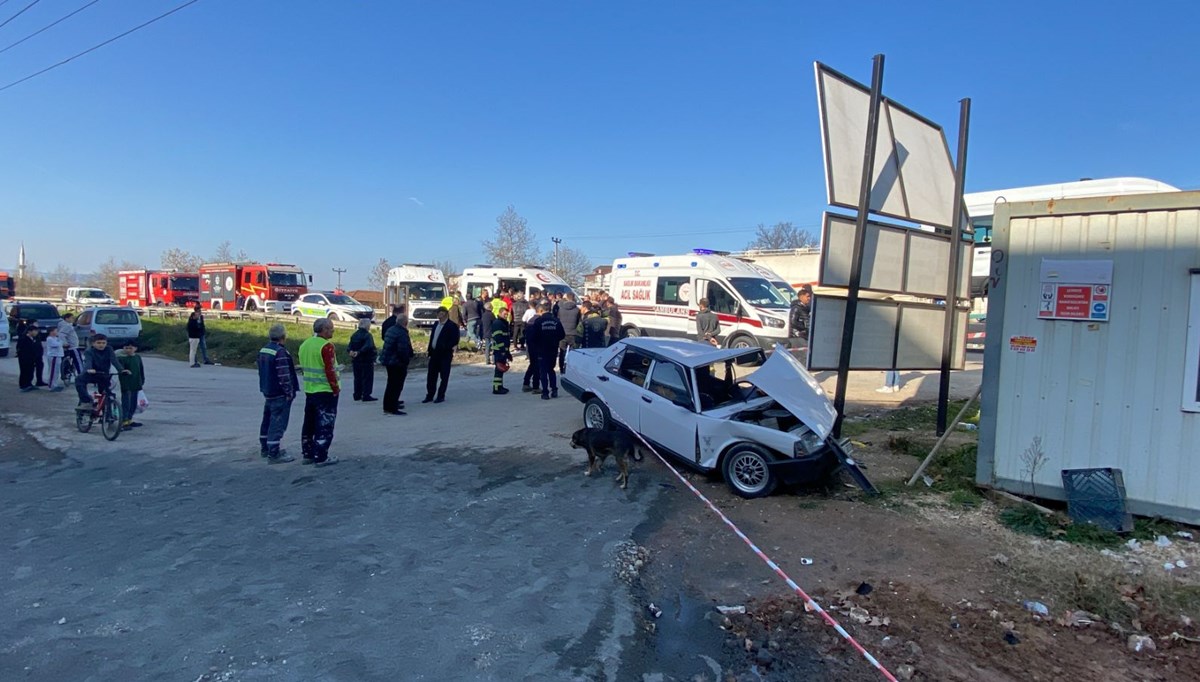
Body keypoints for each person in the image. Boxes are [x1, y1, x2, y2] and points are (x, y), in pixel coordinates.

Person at [298, 318, 341, 467]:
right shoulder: (326, 346)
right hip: (325, 390)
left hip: (310, 389)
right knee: (325, 424)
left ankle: (308, 453)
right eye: (330, 328)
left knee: (309, 423)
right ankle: (321, 456)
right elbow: (329, 370)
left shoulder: (305, 344)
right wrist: (335, 388)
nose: (333, 331)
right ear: (324, 330)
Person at [257, 323, 299, 463]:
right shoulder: (280, 352)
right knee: (278, 422)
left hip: (268, 390)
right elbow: (283, 375)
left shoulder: (264, 350)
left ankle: (265, 448)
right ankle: (274, 453)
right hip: (279, 393)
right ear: (283, 336)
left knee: (267, 420)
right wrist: (289, 391)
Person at [76, 334, 130, 409]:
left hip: (104, 374)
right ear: (93, 343)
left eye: (103, 343)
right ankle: (86, 401)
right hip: (91, 373)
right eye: (98, 343)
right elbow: (88, 362)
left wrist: (122, 370)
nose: (101, 345)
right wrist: (89, 369)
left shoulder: (109, 349)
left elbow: (114, 361)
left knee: (106, 394)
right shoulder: (89, 351)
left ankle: (108, 413)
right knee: (79, 380)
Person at [378, 308, 414, 415]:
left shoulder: (391, 329)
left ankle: (388, 405)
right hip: (397, 363)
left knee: (390, 384)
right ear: (405, 323)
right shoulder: (401, 333)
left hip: (389, 361)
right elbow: (402, 350)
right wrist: (406, 360)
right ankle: (392, 407)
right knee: (396, 385)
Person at [424, 306, 460, 404]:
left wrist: (445, 347)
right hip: (434, 354)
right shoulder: (436, 324)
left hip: (445, 355)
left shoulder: (451, 326)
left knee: (444, 376)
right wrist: (430, 350)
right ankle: (430, 395)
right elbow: (432, 338)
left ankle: (441, 395)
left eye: (441, 313)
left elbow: (455, 340)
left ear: (445, 314)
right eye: (438, 313)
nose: (439, 315)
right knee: (431, 376)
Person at [530, 302, 565, 400]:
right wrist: (554, 340)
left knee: (543, 371)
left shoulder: (538, 321)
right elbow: (562, 335)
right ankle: (554, 390)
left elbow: (533, 337)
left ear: (541, 310)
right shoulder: (556, 321)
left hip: (542, 349)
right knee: (551, 370)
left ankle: (545, 392)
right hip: (553, 349)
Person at [116, 342, 146, 430]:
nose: (128, 350)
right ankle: (124, 420)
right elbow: (120, 369)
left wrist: (142, 380)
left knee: (133, 402)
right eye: (126, 348)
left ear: (135, 348)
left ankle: (129, 419)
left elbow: (141, 369)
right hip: (126, 384)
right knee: (126, 402)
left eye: (130, 348)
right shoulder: (121, 358)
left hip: (136, 383)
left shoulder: (137, 357)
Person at [347, 318, 378, 402]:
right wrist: (360, 352)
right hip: (366, 359)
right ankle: (366, 395)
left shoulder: (354, 335)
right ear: (367, 325)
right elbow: (369, 346)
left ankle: (357, 394)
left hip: (356, 360)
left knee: (357, 377)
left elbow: (349, 346)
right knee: (367, 377)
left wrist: (351, 351)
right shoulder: (367, 335)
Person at [490, 300, 512, 395]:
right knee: (499, 369)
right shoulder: (498, 323)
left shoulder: (503, 323)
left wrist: (508, 352)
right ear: (499, 313)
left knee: (501, 369)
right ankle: (496, 388)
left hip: (503, 350)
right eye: (504, 314)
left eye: (507, 315)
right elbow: (498, 338)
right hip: (499, 350)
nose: (506, 316)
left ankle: (499, 386)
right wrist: (503, 351)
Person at [555, 292, 581, 373]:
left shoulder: (561, 309)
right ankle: (570, 368)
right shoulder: (577, 310)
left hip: (562, 333)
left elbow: (558, 320)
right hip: (573, 332)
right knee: (572, 352)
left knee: (562, 351)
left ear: (566, 298)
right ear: (573, 298)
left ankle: (561, 368)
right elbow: (578, 321)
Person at [17, 324, 41, 392]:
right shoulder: (23, 338)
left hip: (32, 358)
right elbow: (19, 348)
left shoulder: (33, 339)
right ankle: (23, 385)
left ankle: (29, 384)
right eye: (35, 331)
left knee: (31, 371)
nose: (36, 333)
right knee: (24, 371)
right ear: (30, 331)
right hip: (24, 358)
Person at [57, 313, 81, 380]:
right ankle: (82, 375)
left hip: (68, 346)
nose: (73, 319)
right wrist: (65, 343)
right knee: (78, 361)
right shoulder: (67, 326)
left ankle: (65, 373)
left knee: (66, 360)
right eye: (71, 318)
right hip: (72, 346)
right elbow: (61, 334)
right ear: (67, 318)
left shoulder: (62, 324)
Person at [44, 326, 64, 391]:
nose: (57, 332)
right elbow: (57, 345)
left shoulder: (56, 338)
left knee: (56, 371)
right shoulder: (49, 339)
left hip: (58, 356)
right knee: (53, 371)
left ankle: (55, 384)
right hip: (53, 356)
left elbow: (60, 343)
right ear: (51, 332)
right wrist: (60, 342)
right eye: (55, 331)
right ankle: (51, 385)